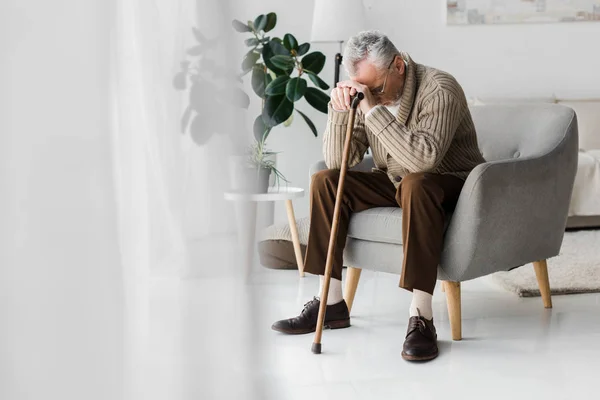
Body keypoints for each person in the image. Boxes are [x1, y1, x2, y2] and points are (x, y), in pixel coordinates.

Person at [271, 30, 485, 361]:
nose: (372, 95)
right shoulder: (370, 93)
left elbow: (423, 160)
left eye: (378, 87)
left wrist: (371, 109)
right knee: (325, 180)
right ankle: (330, 303)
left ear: (398, 65)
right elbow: (339, 161)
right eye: (363, 88)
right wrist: (341, 112)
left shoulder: (440, 88)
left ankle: (422, 316)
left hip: (451, 183)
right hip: (396, 180)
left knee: (417, 184)